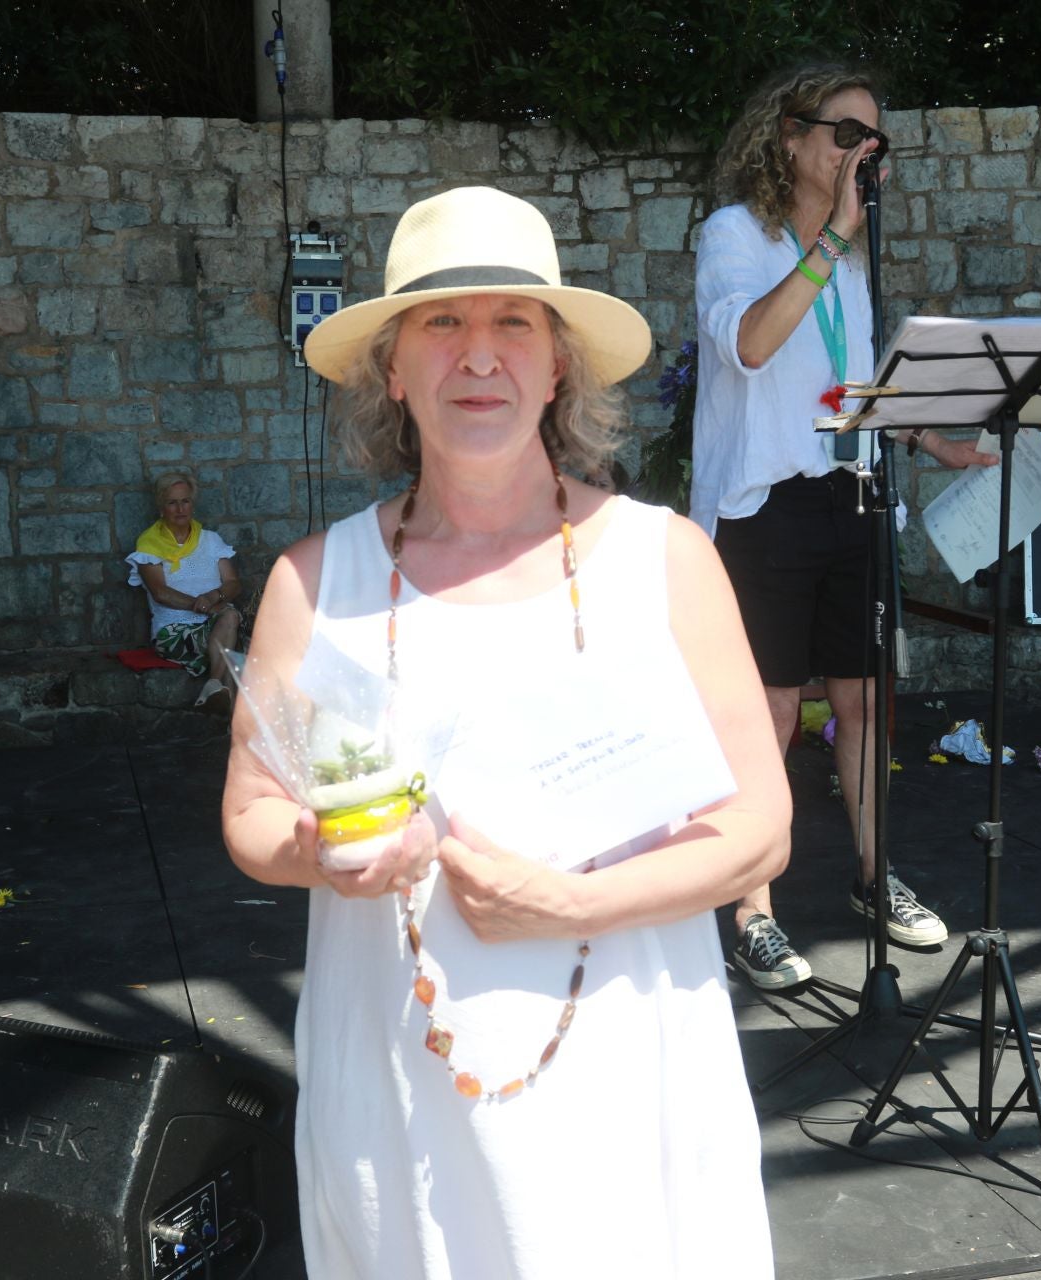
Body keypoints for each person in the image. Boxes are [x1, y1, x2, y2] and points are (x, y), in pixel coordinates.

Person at [221, 186, 789, 1278]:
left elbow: (760, 828)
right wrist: (323, 856)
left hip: (629, 1079)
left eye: (512, 322)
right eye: (442, 323)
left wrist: (572, 903)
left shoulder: (664, 560)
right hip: (394, 1087)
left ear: (559, 361)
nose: (477, 355)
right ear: (393, 367)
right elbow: (252, 811)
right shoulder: (312, 581)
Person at [693, 65, 999, 990]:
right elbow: (750, 345)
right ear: (787, 137)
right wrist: (827, 245)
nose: (863, 154)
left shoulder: (853, 262)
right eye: (845, 134)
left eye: (876, 142)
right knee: (773, 711)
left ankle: (874, 875)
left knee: (866, 702)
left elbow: (840, 387)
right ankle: (752, 906)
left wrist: (930, 439)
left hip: (849, 492)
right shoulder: (736, 236)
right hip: (765, 506)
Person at [125, 472, 244, 710]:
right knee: (236, 644)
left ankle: (213, 688)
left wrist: (213, 597)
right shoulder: (149, 545)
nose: (180, 508)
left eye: (185, 501)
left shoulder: (210, 540)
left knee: (237, 627)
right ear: (161, 507)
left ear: (192, 503)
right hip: (175, 631)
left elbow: (233, 583)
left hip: (215, 621)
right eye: (172, 502)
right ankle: (230, 720)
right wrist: (201, 605)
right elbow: (160, 592)